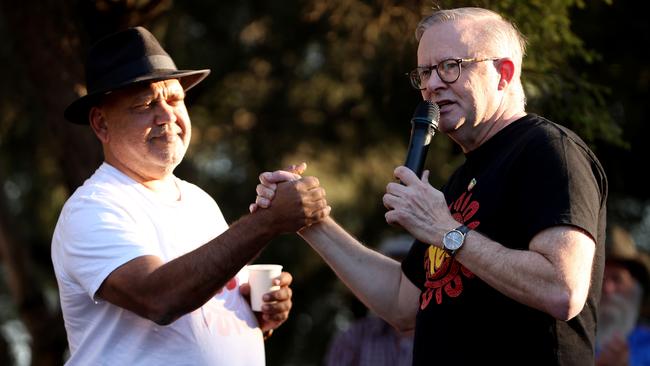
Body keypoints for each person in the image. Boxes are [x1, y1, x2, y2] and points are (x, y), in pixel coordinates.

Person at [253, 7, 608, 365]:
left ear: (503, 73)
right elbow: (400, 302)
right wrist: (309, 221)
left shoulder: (548, 150)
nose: (432, 85)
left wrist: (446, 230)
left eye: (450, 66)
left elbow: (562, 289)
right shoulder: (459, 181)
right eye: (424, 72)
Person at [51, 27, 329, 365]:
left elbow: (202, 302)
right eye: (146, 103)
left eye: (174, 99)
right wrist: (266, 222)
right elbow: (159, 297)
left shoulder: (199, 200)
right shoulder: (92, 208)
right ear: (101, 124)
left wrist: (257, 314)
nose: (167, 116)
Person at [324, 235, 414, 366]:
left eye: (409, 273)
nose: (400, 281)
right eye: (391, 272)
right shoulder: (354, 337)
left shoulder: (444, 338)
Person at [596, 225, 650, 366]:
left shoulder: (647, 343)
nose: (607, 289)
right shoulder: (574, 336)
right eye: (600, 279)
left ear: (636, 287)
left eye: (617, 279)